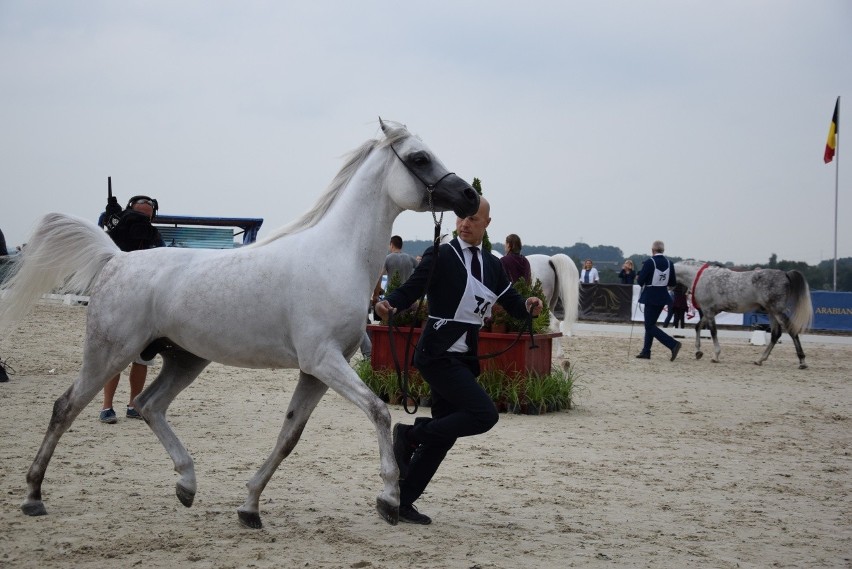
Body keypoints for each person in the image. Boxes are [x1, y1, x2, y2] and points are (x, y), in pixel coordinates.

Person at [374, 197, 543, 525]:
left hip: (463, 359)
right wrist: (388, 304)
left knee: (444, 434)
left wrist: (529, 305)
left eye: (474, 219)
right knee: (484, 414)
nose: (465, 223)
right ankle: (410, 435)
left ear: (487, 224)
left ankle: (399, 501)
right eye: (462, 217)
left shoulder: (493, 265)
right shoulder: (442, 254)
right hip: (436, 354)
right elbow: (411, 289)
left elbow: (512, 301)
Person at [98, 196, 165, 423]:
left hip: (146, 307)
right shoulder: (117, 231)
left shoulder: (152, 236)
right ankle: (107, 406)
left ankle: (133, 404)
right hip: (119, 305)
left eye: (145, 216)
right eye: (138, 214)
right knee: (116, 358)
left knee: (141, 359)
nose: (142, 219)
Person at [635, 240, 681, 361]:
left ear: (652, 250)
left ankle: (673, 344)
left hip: (650, 296)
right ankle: (646, 351)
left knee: (649, 326)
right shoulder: (669, 263)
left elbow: (640, 281)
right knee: (651, 324)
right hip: (663, 296)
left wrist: (640, 277)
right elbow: (672, 282)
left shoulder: (650, 262)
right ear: (663, 250)